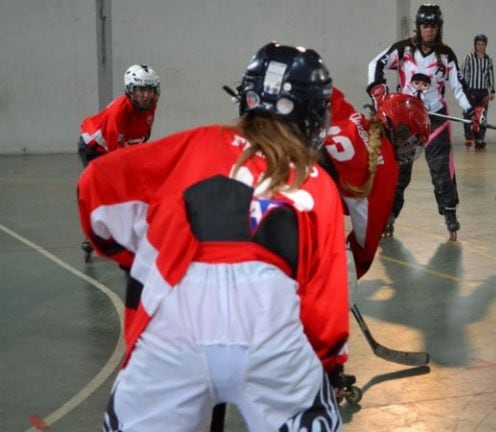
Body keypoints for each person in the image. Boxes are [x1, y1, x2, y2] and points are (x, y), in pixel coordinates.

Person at [78, 42, 348, 431]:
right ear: (310, 113)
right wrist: (329, 366)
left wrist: (134, 255)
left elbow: (95, 187)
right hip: (270, 329)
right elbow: (325, 307)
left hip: (172, 323)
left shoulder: (193, 143)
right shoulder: (317, 181)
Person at [367, 3, 478, 241]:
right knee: (399, 174)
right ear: (419, 27)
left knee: (442, 172)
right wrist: (378, 92)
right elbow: (374, 64)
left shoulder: (446, 55)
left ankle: (450, 215)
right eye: (425, 25)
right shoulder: (403, 50)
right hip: (405, 123)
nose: (429, 30)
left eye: (433, 26)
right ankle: (389, 217)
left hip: (436, 119)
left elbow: (459, 88)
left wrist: (472, 113)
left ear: (439, 28)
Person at [323, 88, 430, 277]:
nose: (412, 149)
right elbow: (365, 244)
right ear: (401, 132)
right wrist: (342, 281)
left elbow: (325, 92)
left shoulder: (350, 114)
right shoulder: (387, 170)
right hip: (298, 206)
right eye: (413, 141)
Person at [77, 64, 160, 262]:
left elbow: (141, 135)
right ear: (130, 90)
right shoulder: (118, 114)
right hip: (94, 148)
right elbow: (116, 157)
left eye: (149, 89)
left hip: (120, 146)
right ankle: (94, 238)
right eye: (140, 89)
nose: (145, 95)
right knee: (105, 193)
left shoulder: (150, 105)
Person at [461, 34, 495, 150]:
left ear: (485, 46)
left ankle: (480, 139)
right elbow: (463, 73)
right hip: (471, 90)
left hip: (483, 91)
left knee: (482, 116)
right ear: (475, 45)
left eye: (482, 45)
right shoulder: (469, 57)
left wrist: (492, 90)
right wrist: (464, 89)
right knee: (468, 114)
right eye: (478, 44)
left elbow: (491, 75)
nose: (480, 47)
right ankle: (468, 137)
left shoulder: (488, 59)